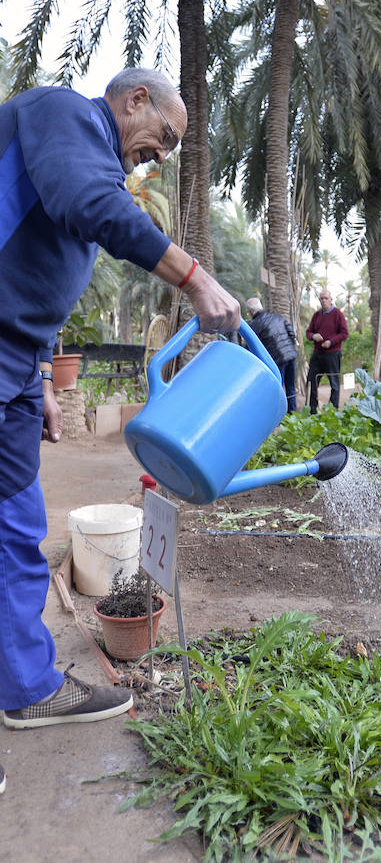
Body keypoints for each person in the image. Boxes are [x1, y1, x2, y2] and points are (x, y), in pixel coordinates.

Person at [0, 69, 240, 768]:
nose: (160, 155)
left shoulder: (82, 156)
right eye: (163, 136)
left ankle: (22, 678)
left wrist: (42, 374)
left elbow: (38, 268)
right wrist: (193, 277)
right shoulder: (63, 115)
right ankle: (26, 688)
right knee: (12, 529)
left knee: (13, 522)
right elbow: (86, 207)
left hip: (14, 365)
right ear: (135, 99)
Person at [246, 297, 297, 412]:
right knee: (291, 388)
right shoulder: (278, 316)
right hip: (291, 356)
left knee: (277, 390)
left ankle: (277, 416)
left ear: (250, 312)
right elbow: (291, 333)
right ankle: (293, 414)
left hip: (277, 360)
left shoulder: (254, 325)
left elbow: (249, 346)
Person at [306, 289, 348, 413]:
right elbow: (308, 332)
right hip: (317, 354)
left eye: (326, 298)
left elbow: (344, 333)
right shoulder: (316, 315)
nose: (323, 301)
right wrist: (313, 336)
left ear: (331, 300)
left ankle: (333, 411)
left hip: (333, 354)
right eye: (321, 299)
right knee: (311, 382)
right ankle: (312, 411)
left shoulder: (338, 314)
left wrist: (331, 342)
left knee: (334, 384)